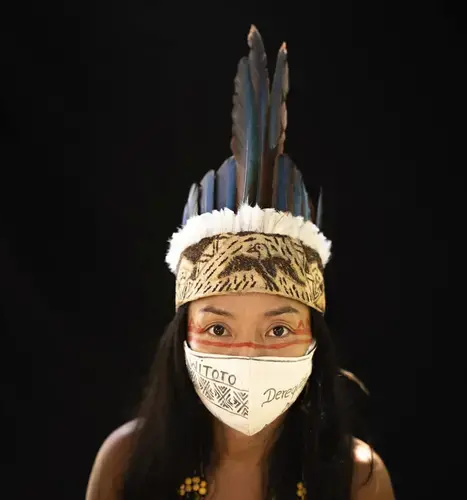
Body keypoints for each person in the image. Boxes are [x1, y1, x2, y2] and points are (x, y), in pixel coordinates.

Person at [85, 25, 396, 500]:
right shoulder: (127, 463)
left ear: (315, 336)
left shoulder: (358, 477)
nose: (247, 357)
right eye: (218, 329)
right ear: (181, 337)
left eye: (277, 330)